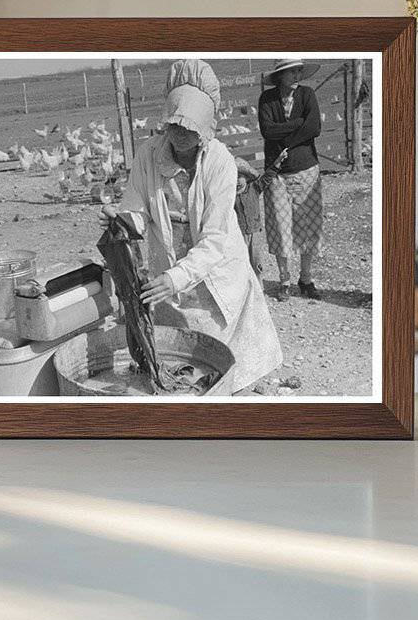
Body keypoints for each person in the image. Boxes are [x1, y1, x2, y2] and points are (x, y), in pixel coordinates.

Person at [99, 59, 282, 392]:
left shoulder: (220, 162)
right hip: (170, 274)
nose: (182, 134)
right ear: (167, 121)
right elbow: (138, 210)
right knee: (181, 363)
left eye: (191, 127)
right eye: (176, 125)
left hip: (215, 274)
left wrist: (175, 279)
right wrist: (123, 220)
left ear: (205, 127)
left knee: (224, 363)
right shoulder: (147, 156)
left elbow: (214, 239)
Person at [257, 58, 323, 301]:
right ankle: (284, 280)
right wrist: (298, 125)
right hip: (277, 173)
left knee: (309, 225)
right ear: (279, 76)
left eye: (298, 71)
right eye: (291, 72)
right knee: (279, 227)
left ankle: (306, 279)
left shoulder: (307, 95)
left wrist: (285, 141)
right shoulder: (267, 99)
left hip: (306, 169)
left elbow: (314, 127)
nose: (296, 76)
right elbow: (267, 130)